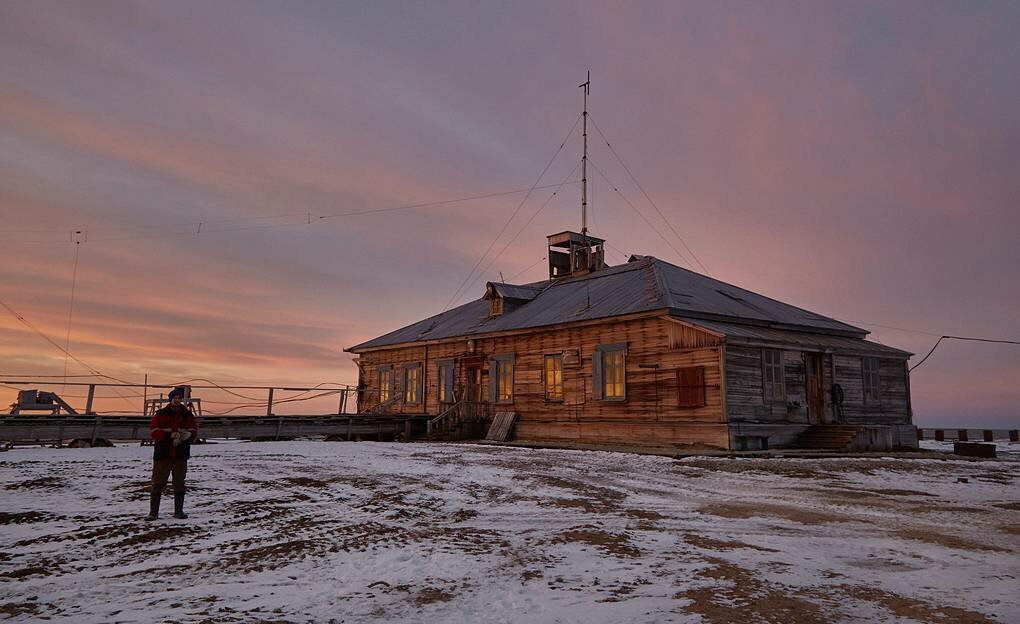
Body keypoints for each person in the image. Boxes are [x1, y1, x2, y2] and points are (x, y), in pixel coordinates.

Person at [146, 386, 198, 520]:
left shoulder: (187, 415)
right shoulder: (160, 414)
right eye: (175, 398)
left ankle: (178, 512)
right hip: (163, 453)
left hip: (180, 453)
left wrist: (187, 435)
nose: (177, 400)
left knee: (179, 482)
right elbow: (153, 431)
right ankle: (153, 513)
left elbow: (193, 430)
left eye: (179, 398)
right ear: (170, 399)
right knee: (158, 482)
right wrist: (169, 435)